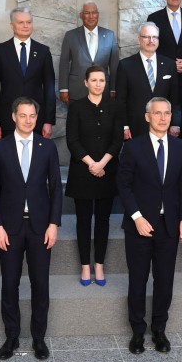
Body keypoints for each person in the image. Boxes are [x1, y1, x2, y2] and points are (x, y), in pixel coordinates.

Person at [0, 97, 63, 360]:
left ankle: (39, 338)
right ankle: (12, 336)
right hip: (10, 227)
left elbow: (56, 189)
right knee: (10, 284)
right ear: (13, 117)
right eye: (23, 115)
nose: (28, 120)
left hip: (41, 227)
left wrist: (54, 224)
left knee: (41, 284)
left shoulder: (48, 147)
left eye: (32, 116)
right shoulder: (0, 148)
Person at [119, 97, 182, 355]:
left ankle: (159, 330)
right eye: (157, 113)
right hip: (140, 225)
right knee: (138, 280)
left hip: (168, 225)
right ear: (147, 117)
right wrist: (137, 217)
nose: (163, 118)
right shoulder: (133, 147)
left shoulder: (181, 148)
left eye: (167, 113)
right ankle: (138, 332)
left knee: (164, 281)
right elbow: (124, 185)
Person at [65, 66, 123, 286]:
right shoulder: (77, 107)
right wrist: (92, 164)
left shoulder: (115, 107)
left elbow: (117, 140)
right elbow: (72, 140)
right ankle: (85, 266)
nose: (99, 84)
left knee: (102, 220)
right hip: (83, 171)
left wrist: (102, 164)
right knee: (83, 221)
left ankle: (99, 264)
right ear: (86, 83)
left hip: (107, 171)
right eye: (94, 80)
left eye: (102, 80)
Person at [0, 7, 56, 139]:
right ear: (12, 25)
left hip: (36, 121)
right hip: (7, 121)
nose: (25, 26)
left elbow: (49, 89)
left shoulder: (43, 51)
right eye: (20, 22)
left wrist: (48, 121)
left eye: (29, 22)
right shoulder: (0, 51)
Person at [116, 22, 180, 140]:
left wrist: (175, 123)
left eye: (155, 37)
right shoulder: (125, 65)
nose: (151, 40)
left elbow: (174, 98)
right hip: (135, 127)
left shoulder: (169, 64)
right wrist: (124, 126)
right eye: (147, 37)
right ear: (139, 39)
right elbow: (120, 100)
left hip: (163, 125)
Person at [58, 1, 119, 104]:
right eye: (87, 13)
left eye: (94, 12)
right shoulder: (70, 36)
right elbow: (64, 63)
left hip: (102, 91)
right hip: (77, 91)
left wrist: (113, 88)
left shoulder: (109, 35)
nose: (91, 16)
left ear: (98, 15)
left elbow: (114, 65)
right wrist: (63, 89)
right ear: (81, 15)